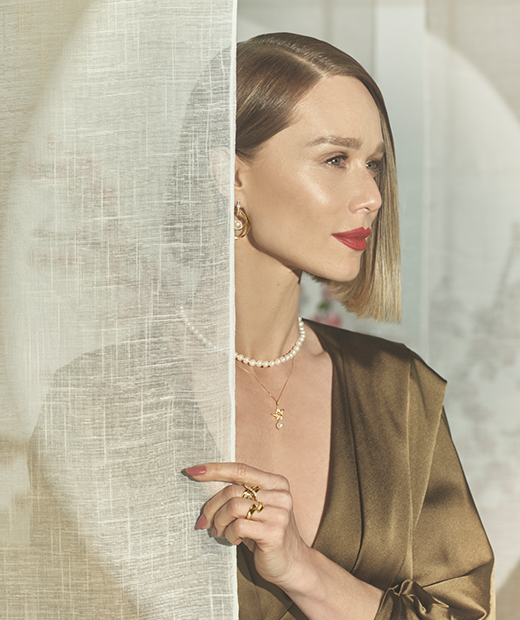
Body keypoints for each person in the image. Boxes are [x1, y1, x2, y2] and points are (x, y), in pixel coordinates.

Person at [183, 33, 494, 619]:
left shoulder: (398, 391)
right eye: (335, 160)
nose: (372, 196)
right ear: (232, 176)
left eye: (373, 164)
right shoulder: (106, 399)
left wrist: (303, 570)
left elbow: (461, 610)